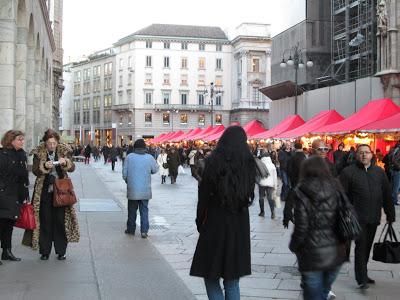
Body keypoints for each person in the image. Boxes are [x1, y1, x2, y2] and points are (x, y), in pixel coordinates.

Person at [190, 126, 256, 300]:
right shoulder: (248, 164)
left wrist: (199, 221)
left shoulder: (213, 161)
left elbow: (203, 195)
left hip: (215, 222)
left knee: (210, 275)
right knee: (232, 279)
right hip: (239, 224)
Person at [289, 156, 347, 299]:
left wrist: (294, 245)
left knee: (313, 295)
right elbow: (347, 213)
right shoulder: (336, 187)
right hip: (336, 251)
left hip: (311, 254)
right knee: (324, 291)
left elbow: (301, 226)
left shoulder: (301, 191)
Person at [339, 144, 395, 289]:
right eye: (361, 153)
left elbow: (387, 195)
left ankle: (364, 273)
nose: (364, 155)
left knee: (367, 246)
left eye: (367, 152)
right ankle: (361, 277)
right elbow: (341, 196)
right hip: (356, 218)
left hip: (374, 217)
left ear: (371, 155)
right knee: (361, 246)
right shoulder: (348, 172)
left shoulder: (379, 172)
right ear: (356, 155)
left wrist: (390, 214)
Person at [23, 129, 79, 260]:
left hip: (62, 191)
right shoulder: (39, 151)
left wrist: (66, 163)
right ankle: (45, 251)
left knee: (60, 221)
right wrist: (44, 165)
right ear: (45, 142)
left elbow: (72, 168)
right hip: (44, 192)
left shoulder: (64, 150)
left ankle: (61, 251)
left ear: (57, 142)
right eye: (49, 143)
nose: (52, 146)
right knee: (45, 220)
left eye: (54, 143)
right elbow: (36, 171)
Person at [0, 130, 29, 264]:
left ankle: (7, 251)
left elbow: (24, 176)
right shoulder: (3, 154)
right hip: (4, 194)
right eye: (19, 139)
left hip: (16, 194)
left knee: (9, 224)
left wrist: (26, 193)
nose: (22, 142)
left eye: (23, 139)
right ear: (11, 140)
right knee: (2, 223)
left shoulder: (22, 154)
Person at [122, 139, 158, 238]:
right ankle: (144, 231)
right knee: (144, 210)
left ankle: (131, 229)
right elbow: (154, 170)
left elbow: (124, 173)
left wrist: (128, 181)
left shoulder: (129, 157)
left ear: (135, 147)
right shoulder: (149, 157)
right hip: (145, 189)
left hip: (133, 189)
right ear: (144, 148)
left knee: (132, 210)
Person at [258, 154, 278, 219]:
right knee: (270, 198)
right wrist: (275, 186)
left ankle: (262, 212)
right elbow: (275, 176)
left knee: (261, 197)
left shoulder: (260, 165)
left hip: (261, 183)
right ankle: (272, 212)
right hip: (270, 184)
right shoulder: (272, 165)